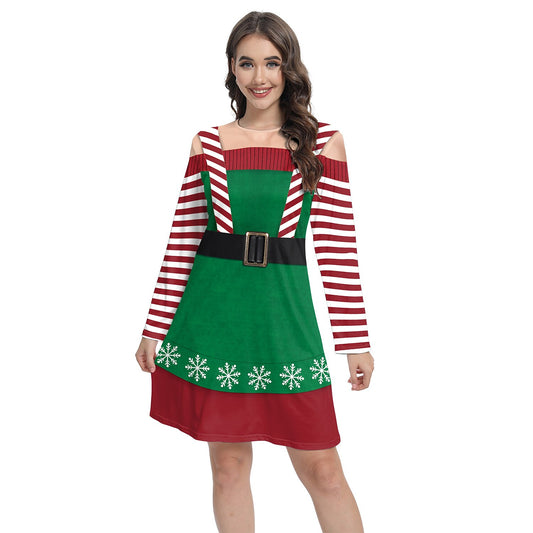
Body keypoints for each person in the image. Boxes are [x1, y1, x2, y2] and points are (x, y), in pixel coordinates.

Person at [135, 10, 375, 533]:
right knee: (228, 465)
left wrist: (354, 342)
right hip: (214, 318)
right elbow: (182, 242)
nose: (259, 77)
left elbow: (338, 248)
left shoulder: (322, 142)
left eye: (272, 62)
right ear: (231, 68)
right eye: (247, 63)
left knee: (323, 470)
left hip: (284, 322)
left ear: (290, 67)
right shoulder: (208, 143)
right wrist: (154, 327)